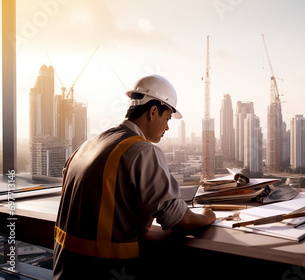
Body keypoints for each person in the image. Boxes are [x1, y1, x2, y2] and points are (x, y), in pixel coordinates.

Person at [53, 75, 216, 280]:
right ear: (153, 111)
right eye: (167, 119)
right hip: (106, 271)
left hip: (65, 271)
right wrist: (208, 215)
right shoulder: (142, 151)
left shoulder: (87, 146)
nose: (167, 127)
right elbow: (181, 220)